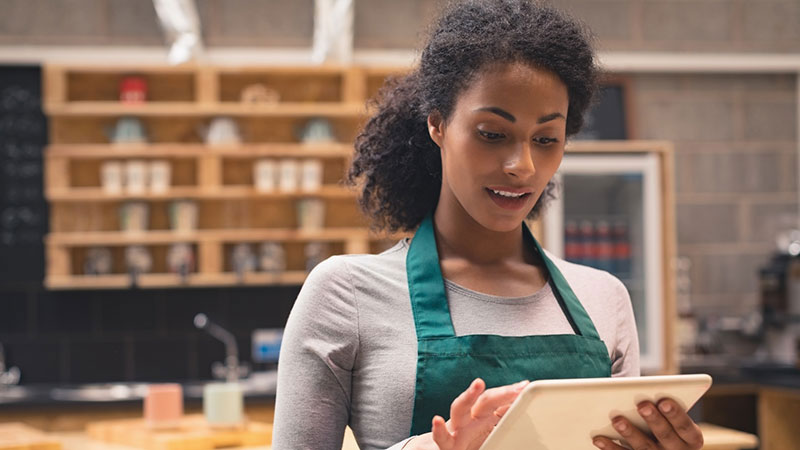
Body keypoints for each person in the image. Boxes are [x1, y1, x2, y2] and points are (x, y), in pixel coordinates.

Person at [273, 1, 704, 449]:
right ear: (438, 124)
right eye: (492, 134)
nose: (523, 165)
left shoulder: (604, 299)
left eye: (546, 139)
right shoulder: (346, 295)